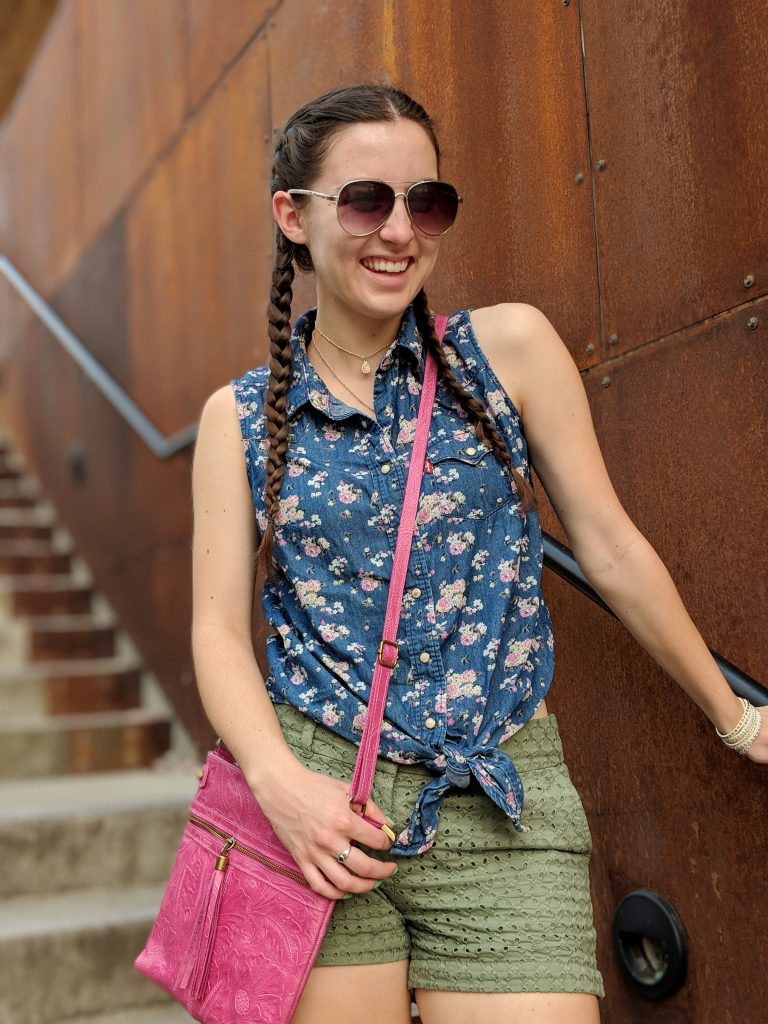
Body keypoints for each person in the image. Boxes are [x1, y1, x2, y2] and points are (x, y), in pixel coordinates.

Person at [190, 84, 766, 1024]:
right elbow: (217, 631)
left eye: (429, 203)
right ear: (292, 217)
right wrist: (278, 784)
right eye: (368, 200)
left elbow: (610, 549)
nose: (400, 232)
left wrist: (734, 717)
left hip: (504, 798)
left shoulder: (509, 349)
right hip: (319, 809)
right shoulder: (239, 419)